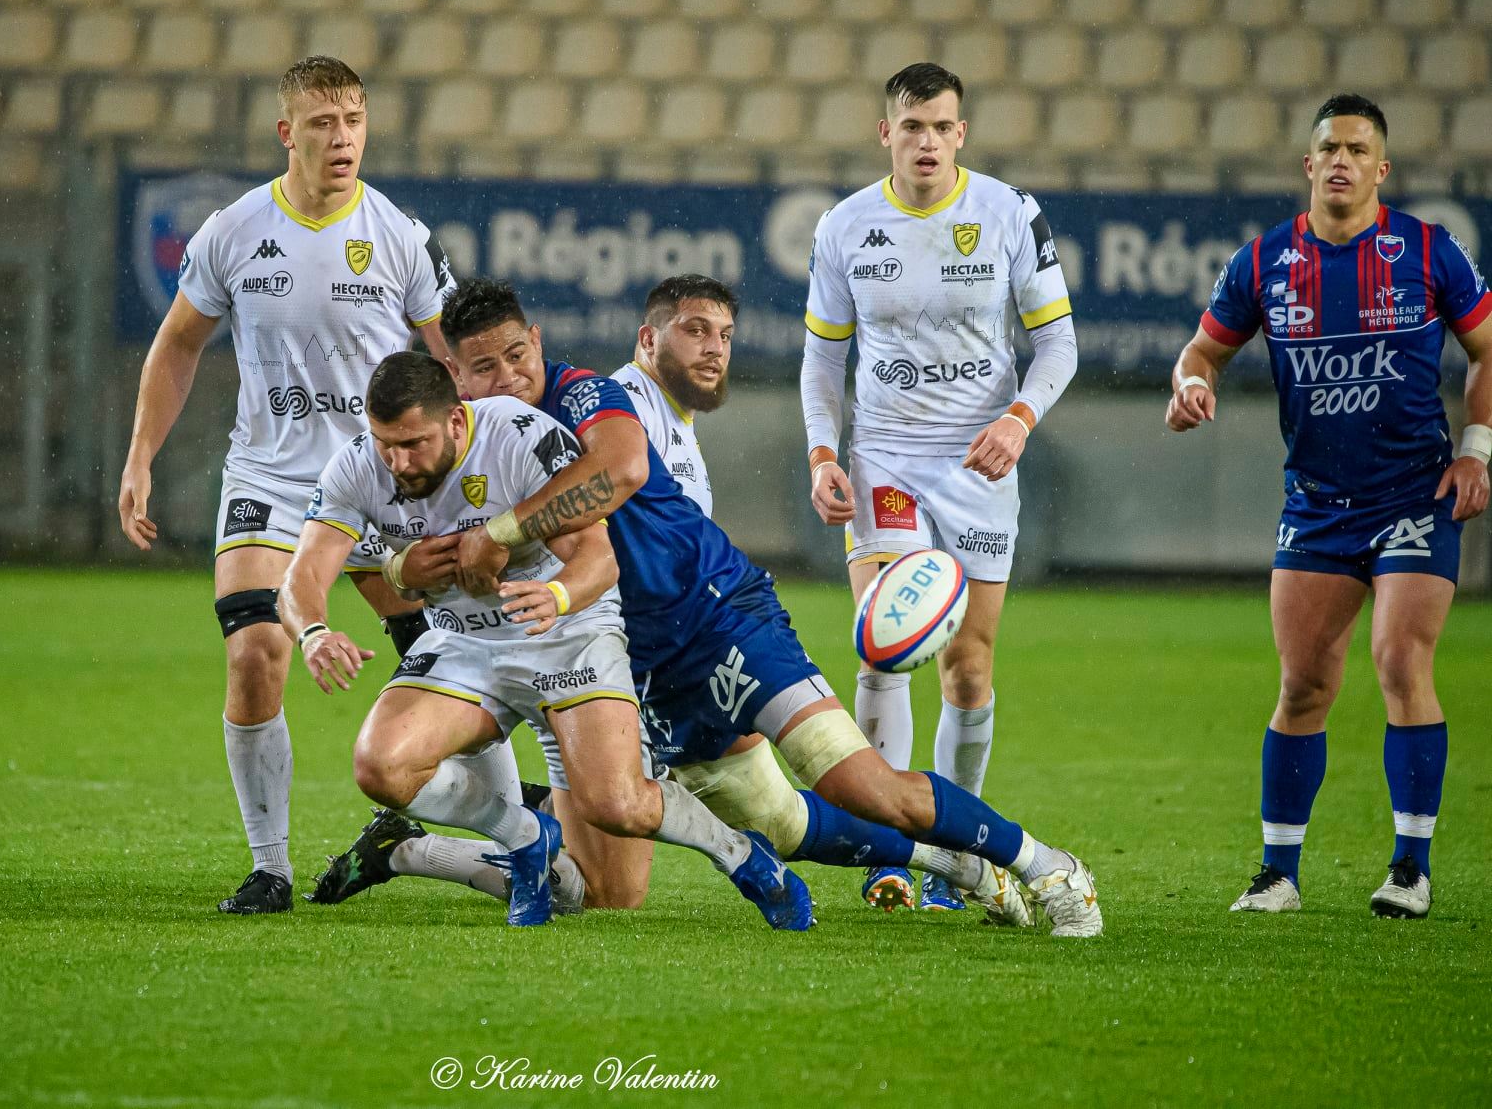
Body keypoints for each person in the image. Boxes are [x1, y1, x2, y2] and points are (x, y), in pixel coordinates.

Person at [378, 281, 1097, 935]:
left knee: (859, 784)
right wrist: (400, 565)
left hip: (720, 615)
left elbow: (622, 469)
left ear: (536, 341)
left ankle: (1050, 867)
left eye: (516, 355)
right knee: (750, 835)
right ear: (454, 379)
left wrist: (501, 533)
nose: (507, 377)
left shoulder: (585, 395)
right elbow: (392, 527)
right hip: (639, 666)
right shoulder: (457, 451)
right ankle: (962, 867)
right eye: (485, 368)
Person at [279, 351, 813, 929]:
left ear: (456, 421)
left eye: (415, 443)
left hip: (566, 633)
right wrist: (312, 632)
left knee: (615, 832)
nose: (398, 462)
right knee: (380, 767)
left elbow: (599, 560)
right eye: (386, 443)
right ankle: (525, 834)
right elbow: (301, 576)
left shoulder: (516, 436)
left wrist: (555, 596)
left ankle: (740, 855)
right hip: (466, 643)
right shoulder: (359, 466)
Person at [116, 56, 461, 915]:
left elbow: (457, 360)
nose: (342, 137)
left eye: (353, 120)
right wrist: (140, 457)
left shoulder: (399, 235)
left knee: (440, 662)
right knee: (255, 651)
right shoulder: (233, 231)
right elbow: (179, 344)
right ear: (287, 133)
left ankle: (476, 820)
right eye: (322, 122)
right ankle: (269, 867)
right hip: (270, 478)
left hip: (386, 488)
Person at [1166, 94, 1490, 920]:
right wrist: (1191, 383)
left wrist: (1477, 450)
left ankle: (1410, 869)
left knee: (1397, 661)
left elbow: (1487, 349)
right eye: (1329, 149)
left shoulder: (1427, 250)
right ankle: (1279, 874)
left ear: (1381, 169)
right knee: (1304, 684)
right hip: (1315, 503)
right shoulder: (1264, 261)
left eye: (1358, 149)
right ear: (1308, 166)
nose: (1341, 161)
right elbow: (1205, 346)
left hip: (1413, 491)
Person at [799, 62, 1079, 912]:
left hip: (979, 466)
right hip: (885, 460)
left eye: (941, 127)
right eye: (911, 126)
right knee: (883, 647)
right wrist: (822, 454)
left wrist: (1018, 421)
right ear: (886, 133)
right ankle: (891, 852)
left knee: (968, 669)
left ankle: (966, 853)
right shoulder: (846, 227)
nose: (926, 141)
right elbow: (824, 358)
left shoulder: (1007, 214)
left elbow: (1058, 345)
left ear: (962, 135)